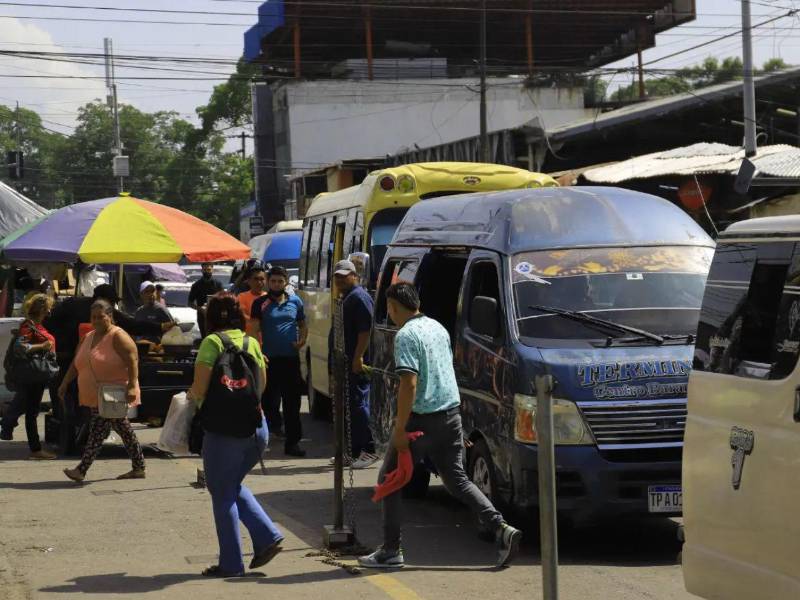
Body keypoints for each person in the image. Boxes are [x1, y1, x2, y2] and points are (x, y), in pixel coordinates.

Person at [358, 282, 522, 569]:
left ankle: (391, 550)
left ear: (394, 308)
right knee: (457, 480)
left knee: (388, 481)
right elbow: (446, 372)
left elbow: (409, 383)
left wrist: (399, 429)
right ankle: (501, 528)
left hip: (420, 422)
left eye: (389, 309)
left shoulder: (406, 335)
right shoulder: (438, 328)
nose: (390, 314)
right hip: (450, 416)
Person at [188, 292, 284, 577]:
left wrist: (188, 402)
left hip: (223, 433)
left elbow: (200, 389)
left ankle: (231, 563)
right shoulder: (251, 342)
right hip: (257, 430)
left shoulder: (211, 343)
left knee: (222, 494)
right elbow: (261, 385)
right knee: (229, 486)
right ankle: (267, 536)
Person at [60, 300, 145, 482]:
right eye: (94, 317)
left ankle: (81, 470)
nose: (97, 320)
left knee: (97, 430)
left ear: (110, 316)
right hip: (96, 394)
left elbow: (132, 360)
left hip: (113, 392)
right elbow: (76, 364)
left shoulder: (117, 335)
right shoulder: (89, 336)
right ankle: (139, 467)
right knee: (123, 429)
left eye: (101, 316)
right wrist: (65, 383)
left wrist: (131, 385)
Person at [248, 266, 308, 457]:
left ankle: (293, 443)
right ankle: (261, 440)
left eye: (279, 281)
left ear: (286, 282)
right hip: (268, 361)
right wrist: (258, 353)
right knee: (267, 402)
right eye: (272, 281)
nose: (276, 285)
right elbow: (253, 331)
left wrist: (302, 341)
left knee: (292, 404)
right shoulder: (260, 303)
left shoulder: (295, 301)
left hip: (290, 360)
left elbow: (303, 324)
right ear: (268, 282)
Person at [0, 294, 58, 459]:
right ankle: (9, 425)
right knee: (28, 409)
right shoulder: (28, 325)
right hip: (31, 374)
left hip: (36, 376)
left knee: (30, 411)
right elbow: (20, 348)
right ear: (43, 309)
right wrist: (43, 346)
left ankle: (34, 448)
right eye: (48, 307)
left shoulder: (37, 326)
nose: (50, 310)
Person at [332, 259, 377, 469]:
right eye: (337, 276)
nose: (340, 280)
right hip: (344, 362)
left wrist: (358, 357)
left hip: (356, 362)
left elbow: (365, 331)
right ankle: (352, 451)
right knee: (348, 406)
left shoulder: (359, 297)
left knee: (358, 405)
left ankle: (369, 450)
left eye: (344, 276)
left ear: (354, 276)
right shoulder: (345, 297)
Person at [189, 262, 223, 338]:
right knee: (205, 337)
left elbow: (223, 298)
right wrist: (200, 309)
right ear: (202, 270)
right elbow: (190, 303)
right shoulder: (196, 285)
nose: (207, 271)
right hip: (202, 316)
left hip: (216, 315)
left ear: (212, 270)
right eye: (205, 270)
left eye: (209, 269)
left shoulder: (218, 284)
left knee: (217, 337)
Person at [237, 264, 267, 334]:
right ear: (249, 281)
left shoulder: (269, 298)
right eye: (256, 279)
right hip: (248, 339)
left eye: (262, 279)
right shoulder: (241, 297)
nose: (259, 282)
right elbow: (242, 317)